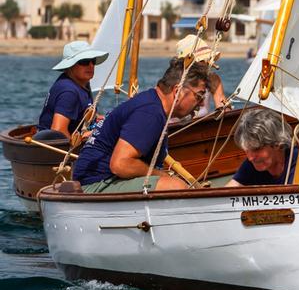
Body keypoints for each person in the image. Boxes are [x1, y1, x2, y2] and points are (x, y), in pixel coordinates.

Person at [72, 60, 211, 193]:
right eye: (199, 96)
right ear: (177, 91)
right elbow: (120, 164)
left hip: (100, 181)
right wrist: (162, 176)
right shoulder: (150, 113)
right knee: (175, 186)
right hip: (94, 186)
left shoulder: (151, 102)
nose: (201, 104)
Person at [226, 108, 299, 187]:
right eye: (247, 151)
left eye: (256, 149)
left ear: (278, 143)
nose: (250, 157)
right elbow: (231, 189)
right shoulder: (253, 164)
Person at [36, 41, 109, 141]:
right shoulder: (69, 92)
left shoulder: (82, 83)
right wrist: (81, 139)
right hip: (53, 148)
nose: (91, 65)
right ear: (70, 65)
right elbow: (58, 131)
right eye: (84, 61)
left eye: (93, 60)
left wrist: (95, 118)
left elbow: (80, 112)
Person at [175, 34, 225, 118]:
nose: (206, 64)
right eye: (202, 60)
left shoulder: (211, 79)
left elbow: (225, 114)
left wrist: (218, 92)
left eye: (206, 60)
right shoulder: (175, 82)